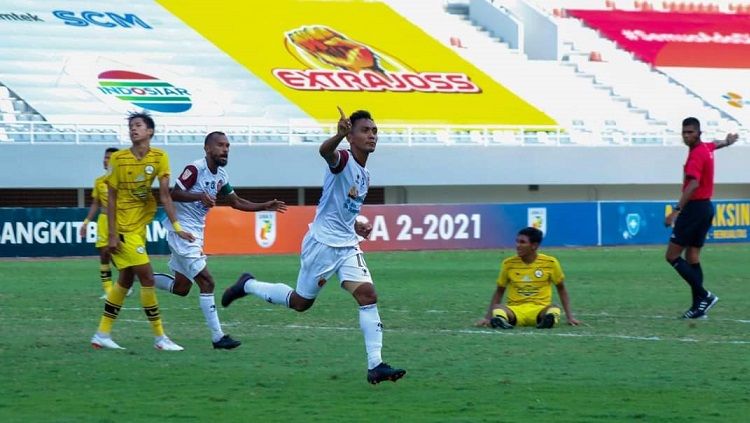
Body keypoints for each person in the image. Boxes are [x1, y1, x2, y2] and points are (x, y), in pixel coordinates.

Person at [221, 107, 406, 384]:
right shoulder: (342, 158)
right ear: (351, 136)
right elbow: (325, 153)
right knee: (300, 303)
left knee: (368, 296)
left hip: (346, 245)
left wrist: (357, 225)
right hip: (322, 245)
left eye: (374, 131)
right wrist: (337, 136)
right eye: (365, 130)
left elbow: (341, 208)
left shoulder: (365, 175)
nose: (372, 135)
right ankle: (247, 284)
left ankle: (375, 365)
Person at [152, 131, 287, 349]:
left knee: (181, 288)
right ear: (207, 148)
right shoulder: (195, 169)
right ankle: (218, 337)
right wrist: (199, 196)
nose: (225, 150)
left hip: (196, 233)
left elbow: (235, 202)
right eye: (221, 145)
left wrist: (263, 206)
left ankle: (138, 275)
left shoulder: (221, 175)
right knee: (207, 282)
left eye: (228, 146)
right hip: (183, 232)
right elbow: (173, 193)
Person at [90, 111, 195, 351]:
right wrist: (114, 234)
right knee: (146, 277)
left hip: (139, 226)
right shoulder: (119, 159)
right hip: (123, 228)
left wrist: (177, 227)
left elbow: (165, 195)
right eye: (130, 126)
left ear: (149, 131)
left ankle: (102, 334)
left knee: (126, 279)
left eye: (138, 125)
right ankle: (160, 338)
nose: (133, 129)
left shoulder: (160, 157)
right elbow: (112, 198)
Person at [664, 117, 738, 319]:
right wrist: (728, 142)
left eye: (690, 132)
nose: (687, 135)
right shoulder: (706, 147)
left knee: (671, 256)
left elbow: (693, 184)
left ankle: (705, 296)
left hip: (694, 209)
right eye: (684, 132)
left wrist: (676, 210)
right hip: (705, 208)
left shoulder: (696, 155)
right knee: (692, 257)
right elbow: (716, 145)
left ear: (699, 133)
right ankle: (699, 308)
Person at [476, 227, 580, 329]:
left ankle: (548, 321)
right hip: (515, 310)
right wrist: (488, 318)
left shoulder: (550, 263)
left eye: (522, 242)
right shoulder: (508, 264)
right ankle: (501, 321)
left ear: (534, 245)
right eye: (517, 241)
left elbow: (561, 288)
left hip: (540, 310)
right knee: (498, 308)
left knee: (554, 308)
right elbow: (499, 291)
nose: (517, 245)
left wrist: (570, 317)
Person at [80, 147, 119, 299]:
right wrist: (86, 222)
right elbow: (96, 203)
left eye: (109, 157)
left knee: (120, 256)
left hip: (120, 221)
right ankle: (108, 290)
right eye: (105, 157)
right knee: (104, 254)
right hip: (103, 220)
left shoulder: (122, 182)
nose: (105, 160)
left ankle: (125, 284)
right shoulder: (99, 181)